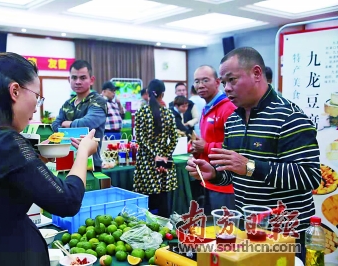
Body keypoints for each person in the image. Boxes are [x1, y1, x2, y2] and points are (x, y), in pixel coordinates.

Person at [0, 52, 98, 266]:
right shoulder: (5, 141)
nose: (36, 107)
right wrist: (82, 154)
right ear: (15, 91)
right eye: (36, 96)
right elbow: (67, 200)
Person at [186, 47, 321, 263]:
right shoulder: (233, 121)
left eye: (232, 80)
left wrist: (250, 166)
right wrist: (214, 173)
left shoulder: (290, 117)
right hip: (249, 228)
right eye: (224, 82)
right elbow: (235, 173)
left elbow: (310, 176)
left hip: (286, 232)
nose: (227, 89)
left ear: (257, 73)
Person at [189, 65, 236, 214]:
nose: (200, 85)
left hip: (226, 183)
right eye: (197, 81)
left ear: (217, 82)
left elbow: (238, 145)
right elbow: (206, 141)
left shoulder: (229, 107)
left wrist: (206, 147)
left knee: (227, 230)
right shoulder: (206, 108)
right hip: (208, 179)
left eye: (205, 80)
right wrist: (195, 149)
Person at [52, 60, 107, 172]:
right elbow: (55, 126)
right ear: (69, 80)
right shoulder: (67, 104)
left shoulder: (98, 101)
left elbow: (87, 123)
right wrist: (67, 125)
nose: (77, 82)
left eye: (82, 78)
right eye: (74, 78)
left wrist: (67, 124)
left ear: (91, 80)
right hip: (66, 160)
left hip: (90, 163)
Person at [134, 79, 178, 218]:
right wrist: (164, 156)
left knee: (147, 197)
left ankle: (149, 229)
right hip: (165, 160)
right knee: (164, 195)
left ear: (147, 93)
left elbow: (140, 139)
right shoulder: (169, 113)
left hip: (146, 160)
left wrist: (154, 155)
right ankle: (166, 227)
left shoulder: (141, 112)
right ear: (162, 95)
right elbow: (174, 138)